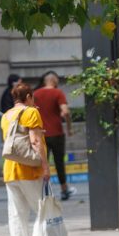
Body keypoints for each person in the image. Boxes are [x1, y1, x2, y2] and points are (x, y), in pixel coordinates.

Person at [1, 83, 51, 236]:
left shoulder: (6, 116)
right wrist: (45, 166)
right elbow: (36, 141)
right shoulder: (31, 112)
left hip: (10, 171)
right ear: (29, 96)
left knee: (17, 213)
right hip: (29, 170)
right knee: (42, 209)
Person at [33, 71, 75, 201]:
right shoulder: (58, 93)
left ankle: (41, 191)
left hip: (41, 135)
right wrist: (69, 127)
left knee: (41, 163)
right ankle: (64, 190)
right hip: (56, 133)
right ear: (54, 81)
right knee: (59, 162)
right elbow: (66, 111)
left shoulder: (36, 94)